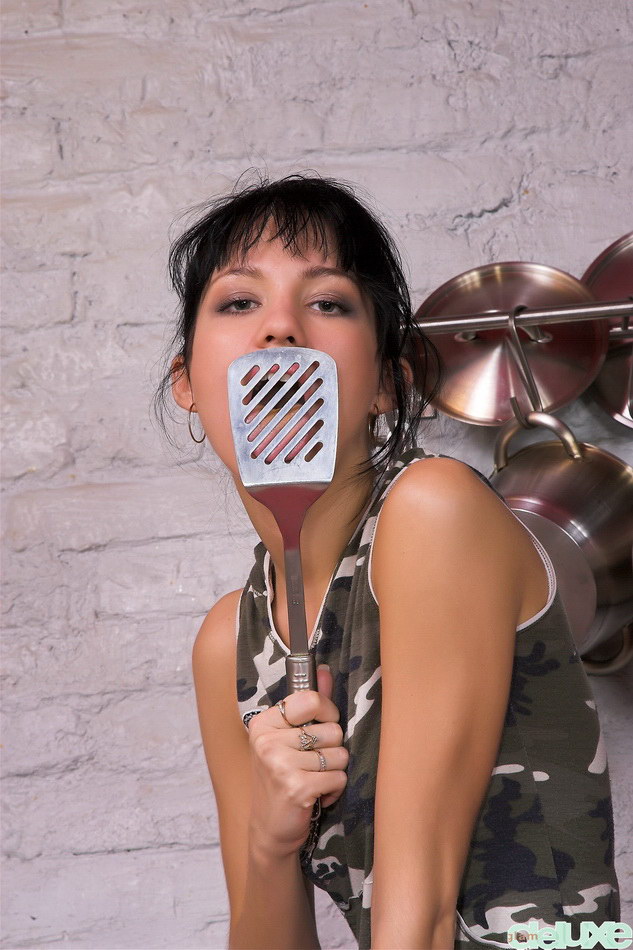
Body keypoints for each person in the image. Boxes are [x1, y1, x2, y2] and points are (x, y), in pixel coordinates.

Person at [157, 173, 620, 949]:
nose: (280, 327)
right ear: (188, 386)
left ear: (384, 383)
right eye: (238, 301)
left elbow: (422, 920)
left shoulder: (433, 511)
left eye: (327, 301)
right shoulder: (227, 643)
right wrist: (270, 840)